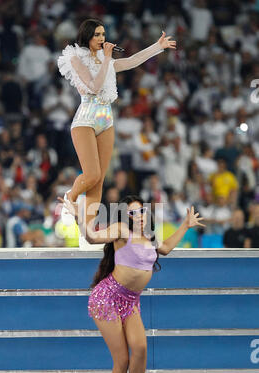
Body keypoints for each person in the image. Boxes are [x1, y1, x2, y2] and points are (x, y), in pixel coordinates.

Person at [59, 194, 205, 373]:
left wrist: (185, 225)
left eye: (141, 212)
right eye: (132, 213)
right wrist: (78, 217)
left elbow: (165, 248)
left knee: (141, 349)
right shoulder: (120, 230)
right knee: (122, 359)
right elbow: (93, 236)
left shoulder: (149, 235)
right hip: (107, 298)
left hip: (131, 301)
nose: (138, 217)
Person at [57, 18, 176, 232]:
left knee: (99, 179)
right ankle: (69, 198)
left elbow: (133, 60)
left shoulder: (108, 61)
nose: (102, 38)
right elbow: (93, 87)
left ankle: (88, 229)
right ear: (87, 37)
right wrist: (107, 59)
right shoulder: (76, 58)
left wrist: (157, 47)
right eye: (97, 35)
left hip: (106, 120)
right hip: (85, 119)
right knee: (91, 174)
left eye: (103, 34)